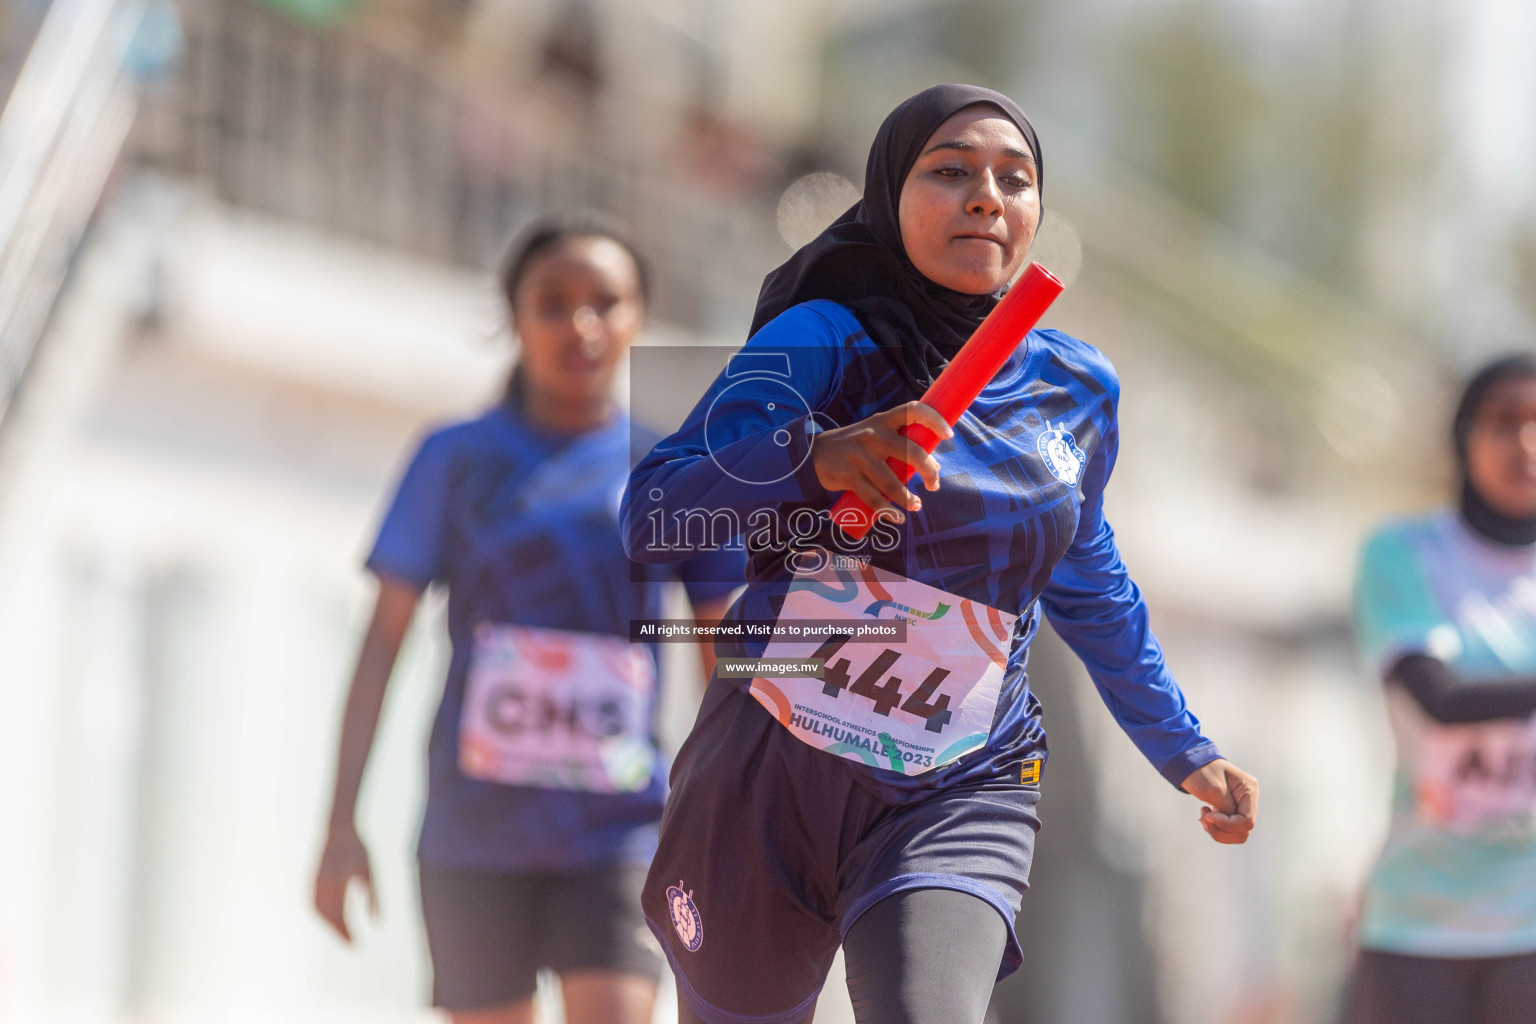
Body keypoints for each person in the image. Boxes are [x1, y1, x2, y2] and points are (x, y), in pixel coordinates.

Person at [620, 84, 1259, 1024]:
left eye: (1015, 178)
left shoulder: (1077, 386)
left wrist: (1184, 748)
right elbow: (654, 510)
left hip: (963, 778)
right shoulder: (818, 340)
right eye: (950, 171)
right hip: (772, 770)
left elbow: (1091, 583)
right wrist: (816, 459)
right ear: (889, 191)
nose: (986, 197)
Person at [313, 215, 742, 1024]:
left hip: (620, 835)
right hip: (473, 838)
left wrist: (735, 821)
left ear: (637, 319)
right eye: (553, 303)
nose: (580, 325)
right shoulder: (455, 457)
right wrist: (342, 823)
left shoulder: (673, 470)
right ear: (514, 317)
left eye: (605, 302)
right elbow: (380, 646)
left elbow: (723, 650)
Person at [1347, 354, 1536, 1024]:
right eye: (1504, 421)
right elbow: (1439, 698)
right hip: (1419, 919)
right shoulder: (1404, 554)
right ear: (1463, 436)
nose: (1526, 444)